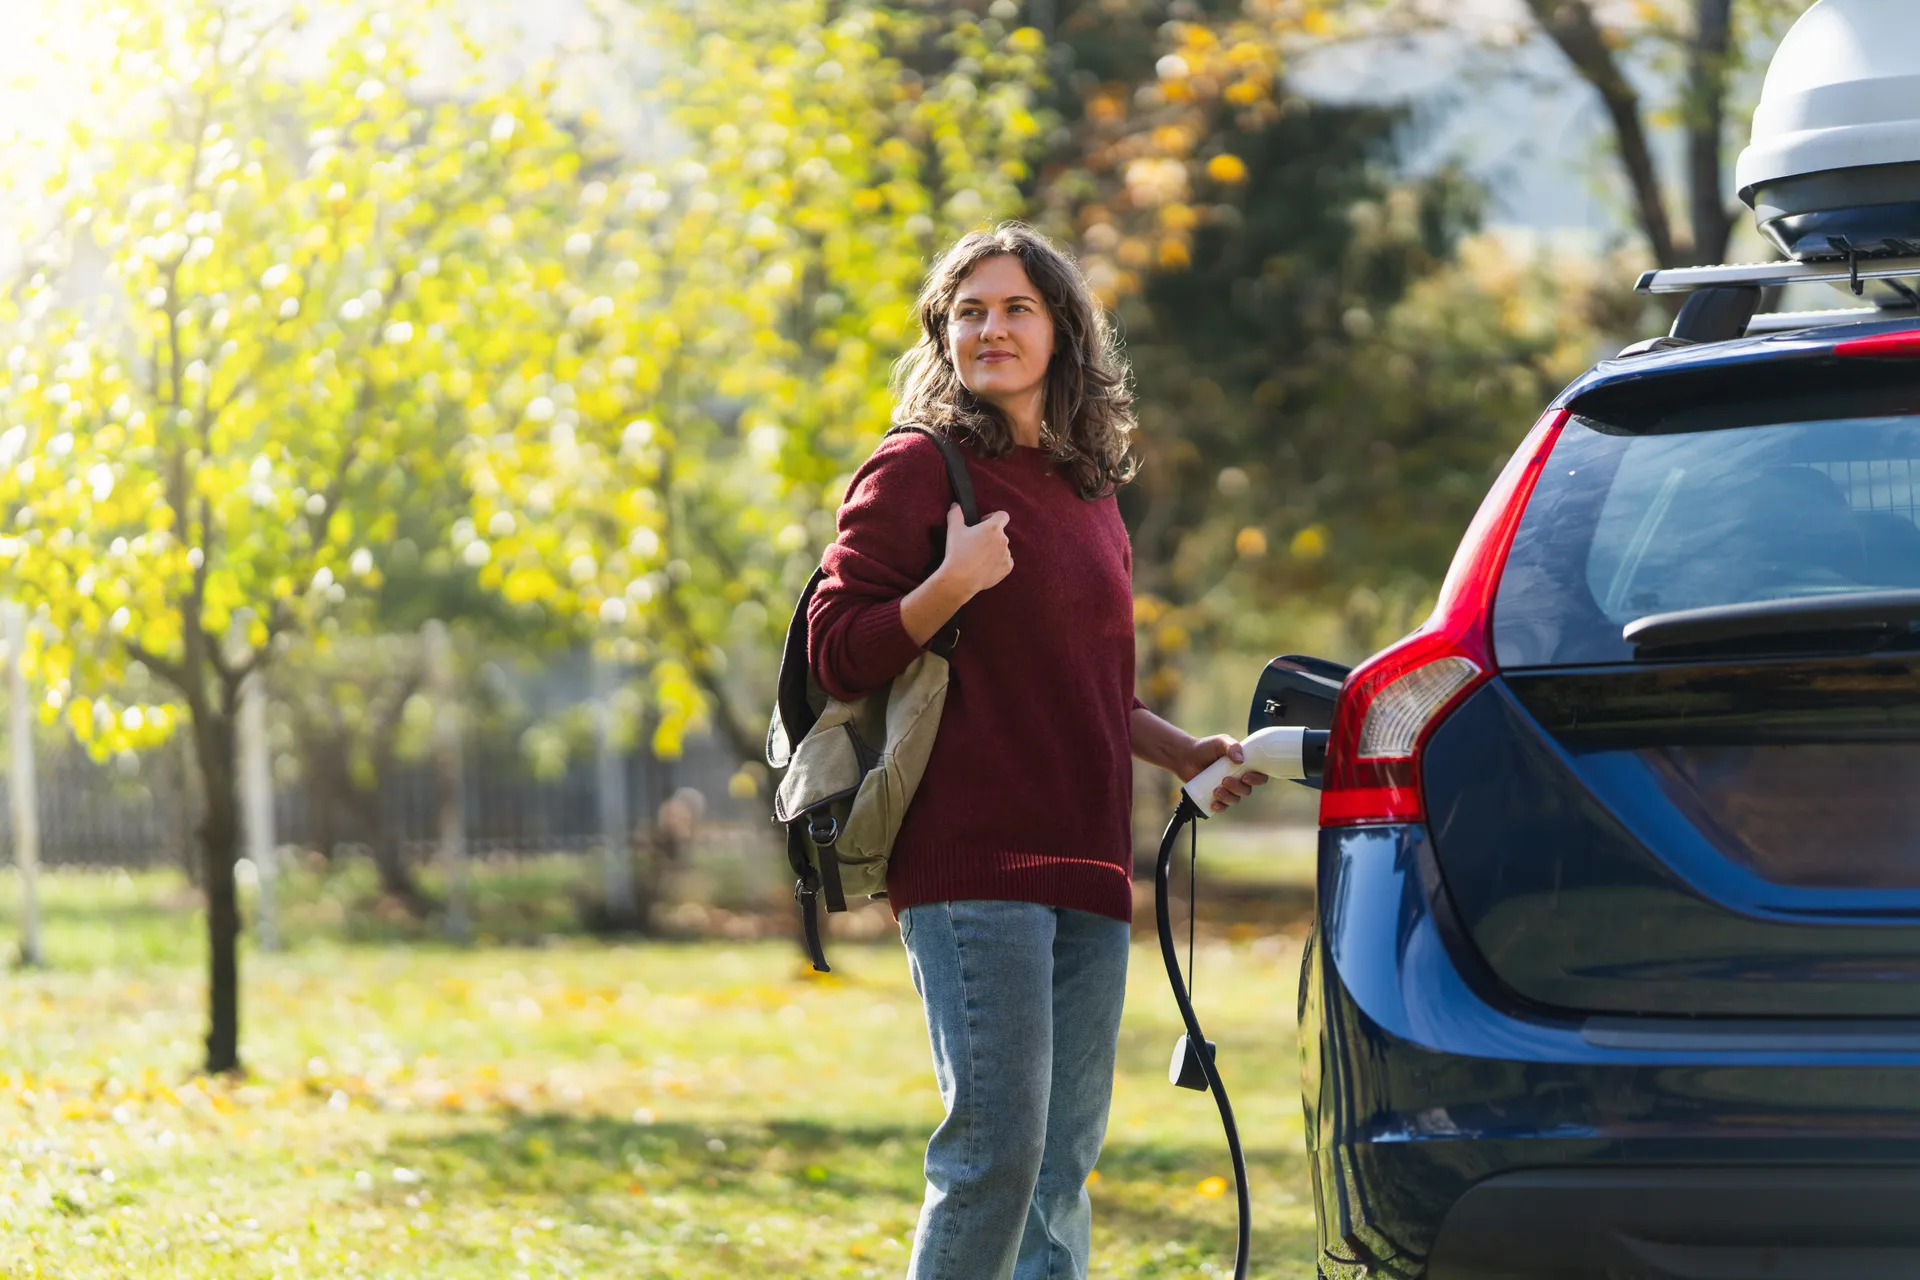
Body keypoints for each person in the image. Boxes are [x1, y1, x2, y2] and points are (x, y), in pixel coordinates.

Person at [807, 222, 1265, 1280]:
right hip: (972, 865)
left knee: (1060, 1168)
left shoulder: (1088, 489)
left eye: (1016, 307)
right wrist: (946, 586)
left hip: (1088, 863)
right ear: (944, 335)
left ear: (1065, 330)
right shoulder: (920, 467)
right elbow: (836, 651)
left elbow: (1090, 681)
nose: (992, 328)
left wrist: (1177, 747)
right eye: (969, 311)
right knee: (995, 1157)